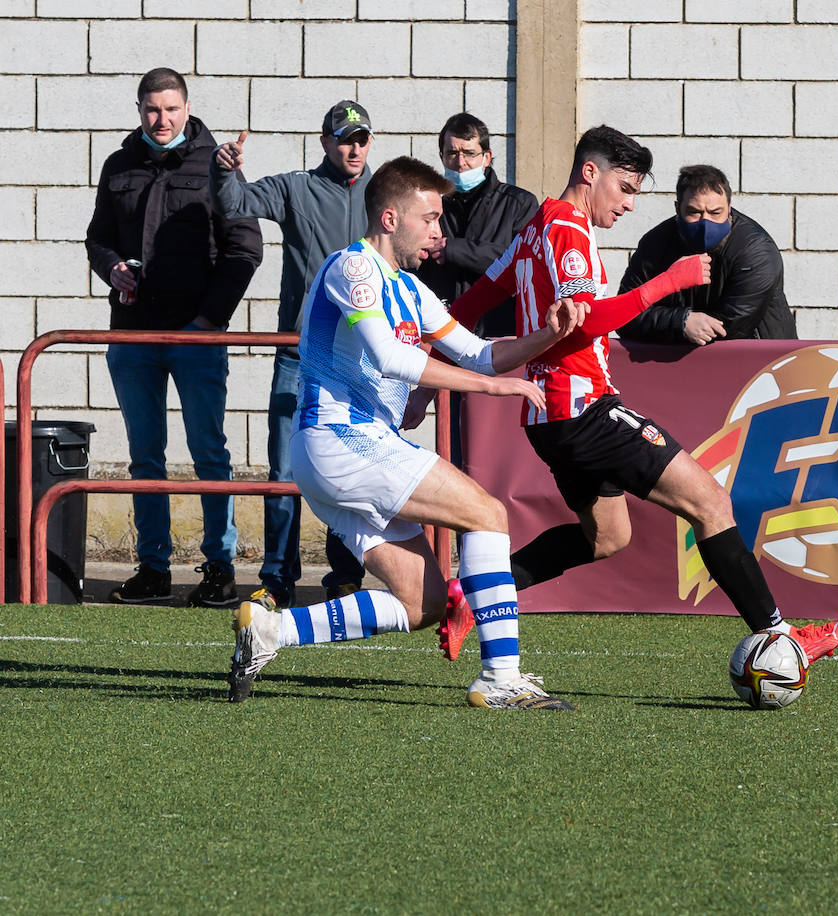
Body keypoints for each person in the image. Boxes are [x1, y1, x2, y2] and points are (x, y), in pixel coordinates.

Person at [440, 125, 838, 664]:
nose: (631, 204)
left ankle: (473, 595)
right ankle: (780, 634)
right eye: (626, 188)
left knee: (606, 538)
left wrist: (429, 362)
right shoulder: (568, 229)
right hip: (584, 408)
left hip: (547, 419)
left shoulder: (534, 226)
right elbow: (584, 327)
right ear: (590, 174)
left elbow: (471, 303)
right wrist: (668, 282)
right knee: (710, 502)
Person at [228, 156, 583, 710]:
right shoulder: (354, 268)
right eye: (432, 217)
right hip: (342, 441)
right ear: (390, 218)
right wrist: (492, 390)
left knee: (424, 604)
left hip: (354, 450)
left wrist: (545, 336)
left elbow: (481, 354)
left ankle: (272, 632)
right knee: (487, 513)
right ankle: (502, 678)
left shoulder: (412, 290)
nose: (440, 231)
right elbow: (388, 355)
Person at [85, 67, 263, 607]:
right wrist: (113, 268)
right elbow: (97, 239)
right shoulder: (119, 165)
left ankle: (219, 567)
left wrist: (209, 322)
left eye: (170, 109)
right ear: (139, 110)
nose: (161, 120)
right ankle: (153, 567)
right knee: (145, 455)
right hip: (134, 334)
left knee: (209, 451)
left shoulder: (217, 165)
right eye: (151, 110)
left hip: (197, 337)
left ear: (187, 108)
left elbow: (245, 249)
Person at [210, 99, 376, 608]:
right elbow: (236, 204)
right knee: (285, 471)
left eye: (362, 138)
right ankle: (277, 580)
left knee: (349, 469)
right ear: (325, 142)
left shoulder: (384, 192)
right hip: (299, 354)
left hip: (363, 357)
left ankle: (345, 576)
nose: (354, 147)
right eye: (344, 138)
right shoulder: (295, 186)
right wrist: (224, 171)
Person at [616, 164, 796, 345]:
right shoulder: (655, 244)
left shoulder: (756, 251)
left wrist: (678, 323)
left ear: (729, 208)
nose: (706, 222)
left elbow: (731, 326)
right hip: (676, 365)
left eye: (716, 212)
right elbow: (624, 314)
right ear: (678, 209)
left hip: (760, 363)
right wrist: (681, 322)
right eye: (694, 212)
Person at [417, 112, 539, 337]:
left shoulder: (519, 203)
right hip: (443, 334)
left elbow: (523, 262)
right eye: (452, 153)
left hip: (499, 333)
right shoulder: (431, 205)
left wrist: (454, 250)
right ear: (442, 157)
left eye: (469, 153)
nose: (460, 163)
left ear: (487, 157)